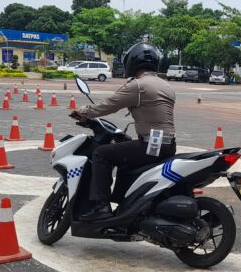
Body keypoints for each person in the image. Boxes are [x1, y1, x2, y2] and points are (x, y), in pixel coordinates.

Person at [72, 43, 177, 221]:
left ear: (133, 62)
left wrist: (83, 111)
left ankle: (101, 207)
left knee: (101, 154)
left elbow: (109, 105)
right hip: (169, 145)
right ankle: (126, 204)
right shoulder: (166, 85)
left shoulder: (138, 85)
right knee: (125, 157)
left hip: (150, 144)